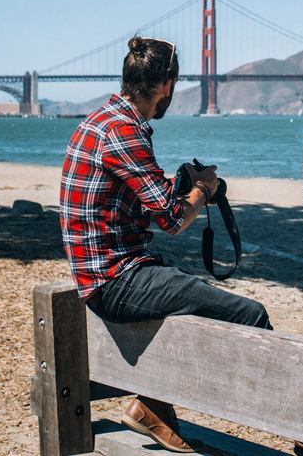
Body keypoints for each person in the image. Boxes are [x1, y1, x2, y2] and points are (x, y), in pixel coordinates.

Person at [60, 37, 271, 453]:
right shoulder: (126, 131)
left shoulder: (100, 120)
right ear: (167, 86)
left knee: (196, 297)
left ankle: (153, 404)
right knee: (250, 315)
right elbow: (172, 220)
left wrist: (180, 186)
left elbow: (146, 206)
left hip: (102, 273)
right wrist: (205, 190)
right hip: (115, 280)